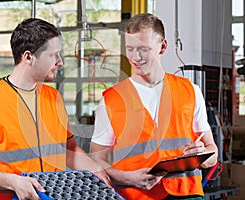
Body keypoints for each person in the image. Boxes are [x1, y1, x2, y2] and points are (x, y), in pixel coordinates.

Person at [0, 18, 111, 200]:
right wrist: (13, 181)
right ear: (28, 57)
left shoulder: (53, 97)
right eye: (53, 55)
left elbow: (69, 151)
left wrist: (94, 168)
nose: (60, 62)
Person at [89, 13, 218, 200]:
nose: (136, 57)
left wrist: (205, 154)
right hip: (134, 195)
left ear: (163, 46)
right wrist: (127, 178)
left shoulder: (190, 91)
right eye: (130, 49)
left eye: (144, 49)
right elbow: (95, 161)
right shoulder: (111, 99)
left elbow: (212, 151)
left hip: (187, 194)